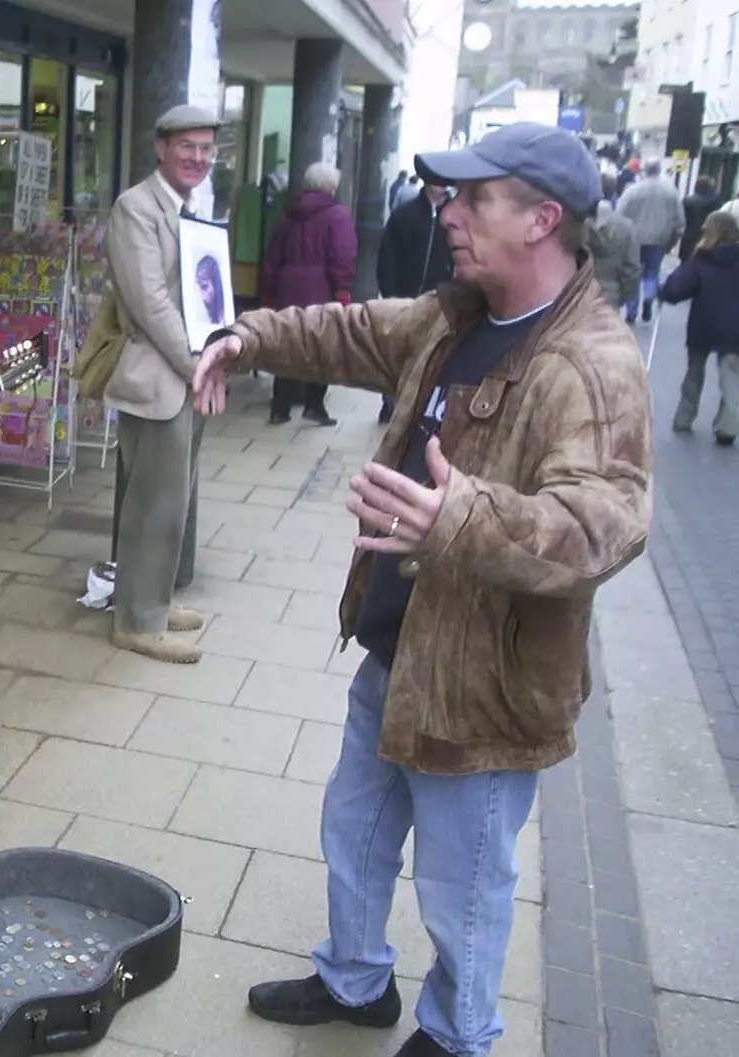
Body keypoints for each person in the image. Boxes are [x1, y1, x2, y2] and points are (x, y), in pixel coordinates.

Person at [190, 121, 651, 1057]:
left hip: (485, 689)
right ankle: (354, 979)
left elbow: (605, 525)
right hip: (396, 647)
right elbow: (353, 328)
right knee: (353, 828)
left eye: (475, 198)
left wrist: (459, 518)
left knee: (464, 886)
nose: (449, 213)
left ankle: (456, 1032)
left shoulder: (592, 365)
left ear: (542, 219)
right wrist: (247, 335)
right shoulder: (457, 314)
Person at [100, 103, 218, 664]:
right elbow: (149, 302)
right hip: (158, 376)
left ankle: (151, 597)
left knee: (174, 499)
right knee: (153, 503)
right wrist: (199, 365)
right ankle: (137, 623)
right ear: (161, 147)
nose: (198, 157)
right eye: (187, 146)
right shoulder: (135, 208)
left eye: (206, 148)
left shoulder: (191, 207)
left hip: (187, 374)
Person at [261, 162, 357, 426]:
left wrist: (269, 292)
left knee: (287, 345)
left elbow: (271, 258)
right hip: (321, 289)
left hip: (287, 288)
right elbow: (343, 255)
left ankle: (280, 407)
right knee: (322, 348)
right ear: (330, 186)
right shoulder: (338, 215)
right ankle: (314, 406)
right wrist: (343, 290)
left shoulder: (286, 215)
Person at [375, 181, 454, 423]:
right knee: (397, 352)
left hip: (439, 300)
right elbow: (387, 256)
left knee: (430, 355)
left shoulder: (452, 218)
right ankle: (390, 402)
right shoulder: (405, 214)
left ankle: (418, 407)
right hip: (404, 296)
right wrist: (389, 292)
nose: (440, 187)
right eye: (435, 181)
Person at [661, 208, 739, 445]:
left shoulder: (702, 259)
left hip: (703, 323)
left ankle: (684, 417)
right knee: (731, 376)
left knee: (695, 372)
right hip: (735, 326)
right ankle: (728, 425)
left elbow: (678, 287)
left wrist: (663, 293)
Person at [616, 158, 684, 322]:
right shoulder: (670, 192)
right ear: (659, 170)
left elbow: (619, 214)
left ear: (644, 170)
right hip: (658, 240)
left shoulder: (633, 191)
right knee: (652, 272)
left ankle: (631, 311)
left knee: (634, 274)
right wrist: (674, 238)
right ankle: (648, 297)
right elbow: (679, 220)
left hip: (634, 239)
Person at [584, 200, 642, 316]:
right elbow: (632, 270)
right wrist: (622, 296)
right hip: (610, 294)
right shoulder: (627, 228)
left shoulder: (578, 226)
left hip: (578, 293)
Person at [679, 175, 722, 262]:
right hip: (708, 236)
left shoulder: (687, 201)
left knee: (686, 261)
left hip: (689, 235)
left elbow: (681, 219)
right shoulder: (715, 201)